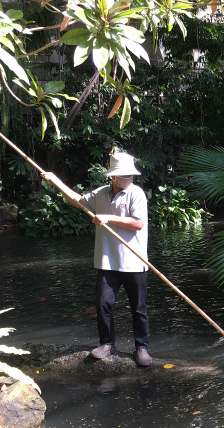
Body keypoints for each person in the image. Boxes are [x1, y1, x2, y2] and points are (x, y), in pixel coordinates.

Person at [41, 152, 152, 366]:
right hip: (108, 261)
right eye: (124, 175)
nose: (128, 178)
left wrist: (108, 218)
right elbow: (78, 201)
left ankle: (142, 348)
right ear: (113, 176)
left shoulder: (136, 193)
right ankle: (107, 344)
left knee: (139, 307)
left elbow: (138, 224)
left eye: (130, 174)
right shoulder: (101, 194)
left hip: (134, 261)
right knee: (103, 304)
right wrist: (56, 182)